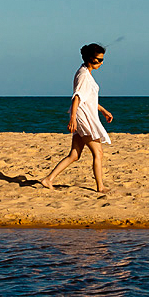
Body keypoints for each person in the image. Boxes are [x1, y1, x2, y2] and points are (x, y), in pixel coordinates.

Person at [40, 43, 114, 193]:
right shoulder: (84, 75)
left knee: (74, 154)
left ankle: (48, 180)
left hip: (85, 115)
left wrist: (103, 110)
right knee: (98, 152)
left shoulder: (85, 72)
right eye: (99, 60)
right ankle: (100, 187)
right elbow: (77, 98)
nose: (101, 63)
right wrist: (73, 119)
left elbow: (89, 98)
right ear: (90, 58)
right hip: (83, 118)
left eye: (102, 60)